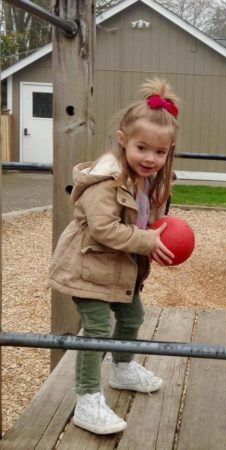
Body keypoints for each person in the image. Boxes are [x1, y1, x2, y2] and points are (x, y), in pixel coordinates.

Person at [48, 77, 179, 435]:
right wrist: (145, 241)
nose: (151, 158)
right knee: (98, 327)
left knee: (133, 315)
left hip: (118, 268)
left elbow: (142, 219)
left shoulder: (148, 180)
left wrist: (160, 230)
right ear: (122, 140)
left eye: (160, 152)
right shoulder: (106, 182)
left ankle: (121, 368)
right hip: (88, 266)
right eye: (142, 148)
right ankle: (87, 400)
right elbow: (103, 229)